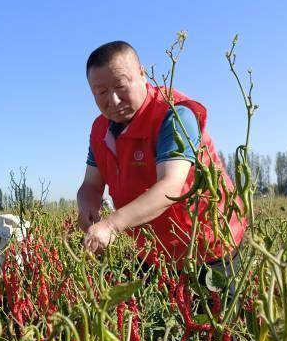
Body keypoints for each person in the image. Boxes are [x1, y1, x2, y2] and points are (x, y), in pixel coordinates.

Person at [76, 41, 247, 272]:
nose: (113, 100)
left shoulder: (174, 114)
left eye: (120, 86)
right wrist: (87, 206)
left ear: (142, 74)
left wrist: (112, 225)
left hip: (206, 247)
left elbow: (171, 186)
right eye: (102, 92)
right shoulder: (100, 129)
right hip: (152, 251)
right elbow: (91, 184)